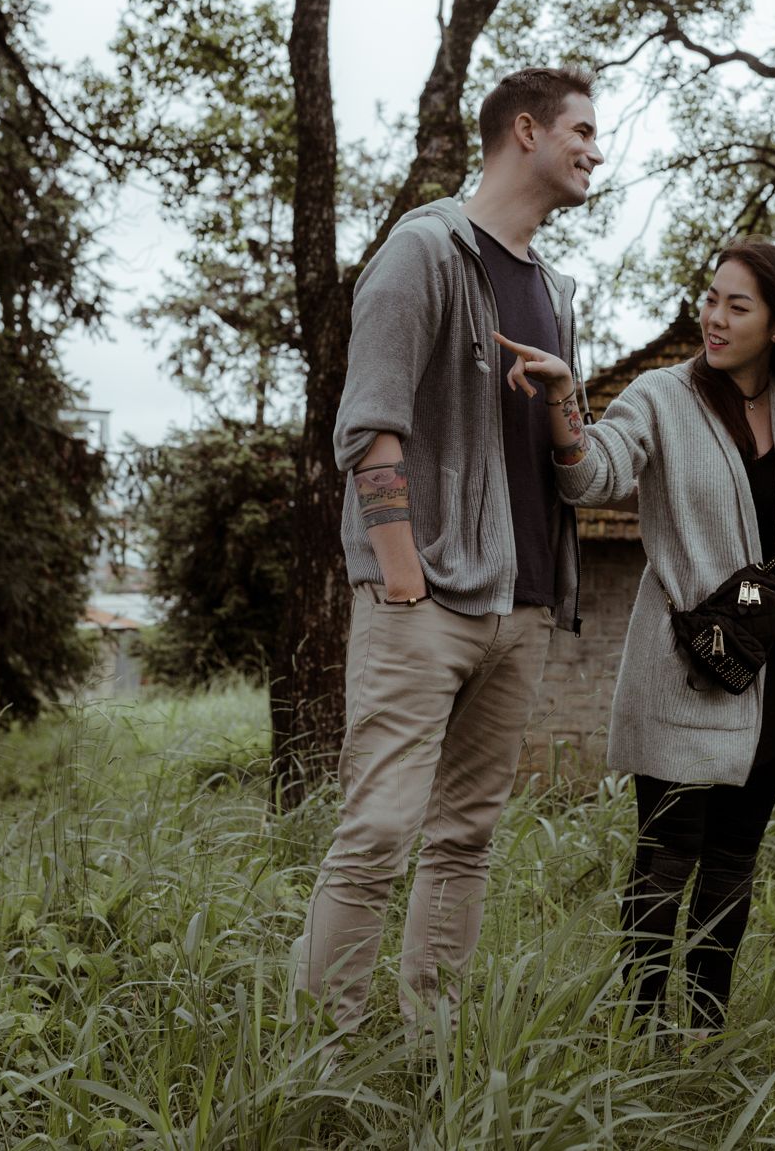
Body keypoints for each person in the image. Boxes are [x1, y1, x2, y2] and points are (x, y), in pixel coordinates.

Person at [492, 240, 775, 1035]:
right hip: (685, 665)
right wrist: (565, 399)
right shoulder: (661, 396)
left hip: (768, 670)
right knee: (666, 857)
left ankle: (704, 1030)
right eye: (711, 298)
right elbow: (589, 476)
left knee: (734, 862)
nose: (714, 316)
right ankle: (646, 1030)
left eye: (737, 306)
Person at [292, 66, 604, 1034]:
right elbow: (368, 426)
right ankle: (322, 1050)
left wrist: (564, 401)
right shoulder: (421, 252)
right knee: (377, 833)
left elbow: (572, 465)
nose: (596, 152)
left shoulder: (554, 291)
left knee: (465, 837)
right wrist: (400, 576)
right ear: (526, 130)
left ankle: (432, 1043)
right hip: (421, 605)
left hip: (522, 609)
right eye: (583, 131)